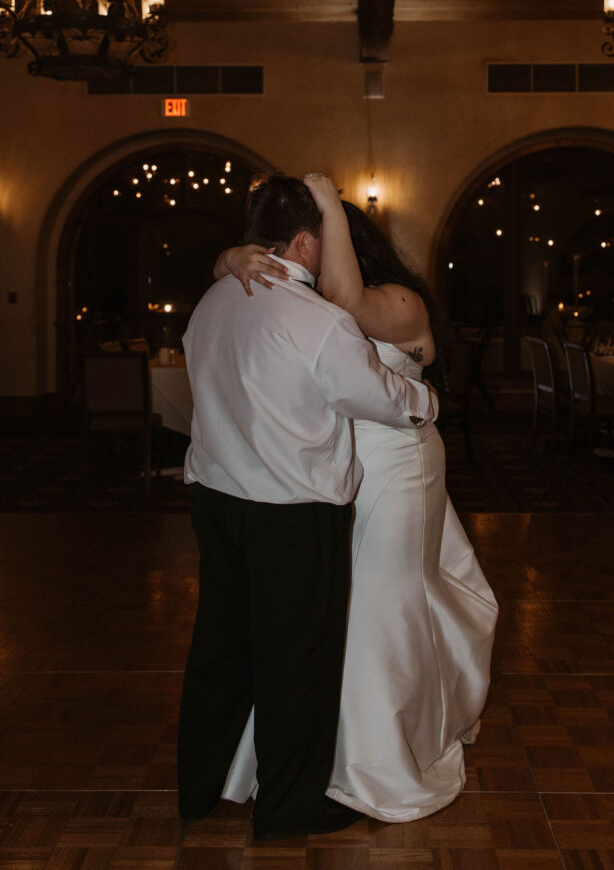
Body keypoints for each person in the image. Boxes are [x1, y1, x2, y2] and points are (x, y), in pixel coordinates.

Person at [213, 173, 498, 823]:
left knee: (380, 602)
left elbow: (345, 299)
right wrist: (229, 259)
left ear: (343, 241)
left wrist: (329, 209)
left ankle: (375, 756)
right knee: (330, 607)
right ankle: (323, 749)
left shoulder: (400, 303)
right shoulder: (306, 298)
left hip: (396, 465)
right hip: (328, 468)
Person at [177, 173, 438, 841]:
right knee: (298, 661)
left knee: (220, 651)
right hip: (289, 514)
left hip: (213, 500)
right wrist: (426, 402)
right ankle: (288, 809)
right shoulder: (317, 321)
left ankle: (197, 789)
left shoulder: (211, 302)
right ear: (303, 241)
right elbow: (378, 401)